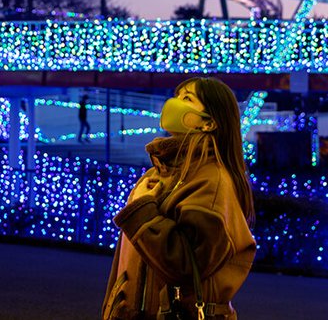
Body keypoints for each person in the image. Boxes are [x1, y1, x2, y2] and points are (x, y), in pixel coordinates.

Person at [102, 77, 256, 320]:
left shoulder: (210, 180)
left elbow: (186, 264)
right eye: (176, 96)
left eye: (187, 99)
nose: (173, 104)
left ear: (210, 123)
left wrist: (143, 211)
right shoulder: (162, 171)